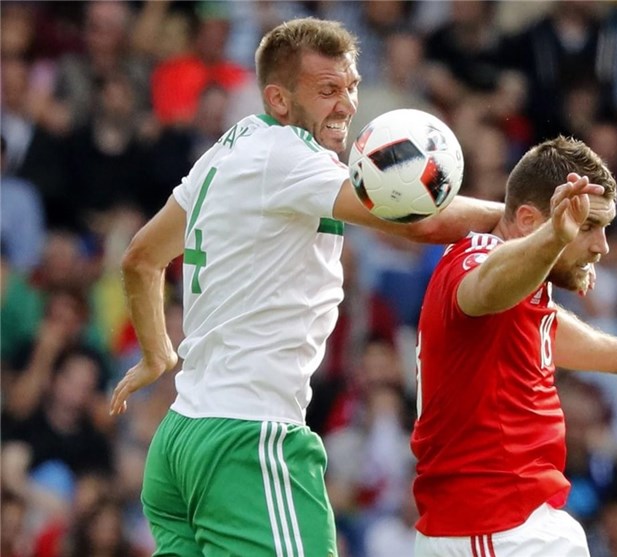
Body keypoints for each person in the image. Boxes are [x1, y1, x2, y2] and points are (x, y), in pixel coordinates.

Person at [107, 17, 502, 557]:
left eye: (351, 86)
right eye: (327, 90)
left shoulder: (227, 150)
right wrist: (523, 221)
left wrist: (158, 354)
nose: (346, 104)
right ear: (279, 98)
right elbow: (417, 220)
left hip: (182, 438)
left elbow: (141, 257)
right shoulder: (289, 155)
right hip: (247, 439)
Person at [411, 136, 617, 556]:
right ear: (529, 221)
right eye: (587, 226)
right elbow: (487, 288)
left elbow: (545, 327)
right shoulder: (476, 263)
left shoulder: (524, 282)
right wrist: (554, 238)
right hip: (492, 530)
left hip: (513, 526)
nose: (602, 246)